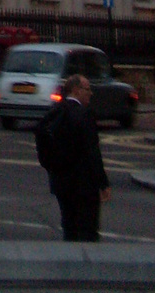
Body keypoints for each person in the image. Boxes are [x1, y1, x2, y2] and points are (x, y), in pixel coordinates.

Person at [38, 74, 111, 242]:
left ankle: (69, 262)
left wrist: (52, 168)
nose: (91, 93)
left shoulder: (53, 112)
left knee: (69, 226)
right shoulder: (84, 115)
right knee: (87, 230)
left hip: (60, 182)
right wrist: (103, 183)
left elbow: (43, 146)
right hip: (83, 185)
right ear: (76, 91)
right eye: (87, 89)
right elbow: (92, 152)